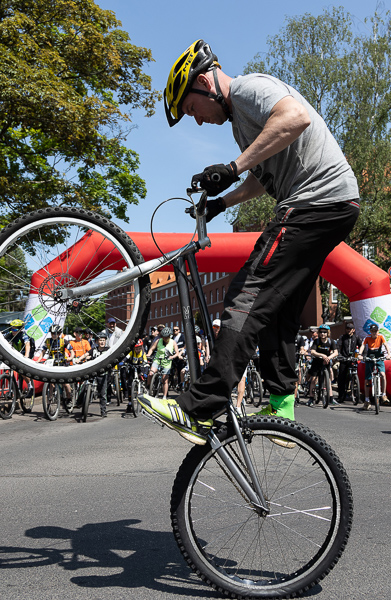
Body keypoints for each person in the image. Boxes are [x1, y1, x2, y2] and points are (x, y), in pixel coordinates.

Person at [140, 39, 360, 444]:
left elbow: (295, 118)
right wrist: (224, 200)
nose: (198, 121)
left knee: (247, 294)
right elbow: (264, 176)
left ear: (205, 82)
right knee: (275, 306)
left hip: (315, 202)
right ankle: (281, 404)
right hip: (332, 205)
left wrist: (231, 166)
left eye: (192, 109)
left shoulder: (247, 89)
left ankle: (199, 408)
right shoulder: (243, 124)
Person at [360, 323, 391, 409]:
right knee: (367, 379)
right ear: (370, 331)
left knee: (383, 374)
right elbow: (362, 345)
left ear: (378, 331)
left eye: (375, 331)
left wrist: (389, 354)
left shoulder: (381, 337)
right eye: (372, 331)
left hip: (379, 357)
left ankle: (384, 395)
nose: (374, 333)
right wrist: (360, 354)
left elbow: (386, 345)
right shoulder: (367, 338)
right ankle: (367, 400)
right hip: (369, 358)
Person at [306, 325, 338, 407]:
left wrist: (329, 357)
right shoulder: (317, 341)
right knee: (313, 379)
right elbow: (312, 351)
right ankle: (311, 398)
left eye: (325, 332)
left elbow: (336, 352)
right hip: (317, 362)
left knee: (328, 380)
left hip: (326, 362)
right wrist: (321, 355)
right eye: (321, 332)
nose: (323, 334)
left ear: (328, 333)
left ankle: (331, 398)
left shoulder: (331, 341)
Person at [146, 327, 182, 399]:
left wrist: (173, 357)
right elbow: (152, 349)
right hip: (158, 359)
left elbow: (177, 353)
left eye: (166, 337)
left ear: (169, 336)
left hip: (167, 361)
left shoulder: (173, 342)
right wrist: (148, 355)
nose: (165, 339)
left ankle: (164, 396)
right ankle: (148, 388)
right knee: (150, 373)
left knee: (165, 379)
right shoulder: (158, 341)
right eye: (164, 337)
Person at [336, 322, 361, 404]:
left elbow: (362, 347)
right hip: (344, 359)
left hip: (353, 359)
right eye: (347, 329)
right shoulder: (342, 337)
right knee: (342, 378)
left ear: (353, 330)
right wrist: (340, 355)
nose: (348, 330)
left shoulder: (356, 337)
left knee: (356, 377)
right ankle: (341, 397)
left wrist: (361, 355)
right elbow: (339, 347)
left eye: (350, 329)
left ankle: (357, 396)